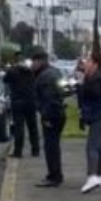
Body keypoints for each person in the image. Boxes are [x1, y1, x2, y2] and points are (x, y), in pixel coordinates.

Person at [77, 53, 101, 194]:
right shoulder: (94, 77)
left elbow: (92, 95)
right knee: (97, 147)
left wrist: (82, 83)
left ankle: (92, 176)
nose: (85, 63)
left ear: (95, 64)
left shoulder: (97, 78)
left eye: (87, 61)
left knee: (91, 147)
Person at [31, 50, 66, 188]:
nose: (32, 65)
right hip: (59, 112)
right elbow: (63, 91)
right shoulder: (56, 72)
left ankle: (54, 176)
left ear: (40, 62)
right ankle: (55, 174)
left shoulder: (44, 77)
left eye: (33, 62)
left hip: (51, 115)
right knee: (53, 146)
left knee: (51, 147)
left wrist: (46, 116)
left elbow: (48, 99)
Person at [3, 51, 40, 159]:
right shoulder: (31, 70)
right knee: (33, 127)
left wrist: (10, 69)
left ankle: (18, 151)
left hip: (18, 101)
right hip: (31, 101)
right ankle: (35, 150)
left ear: (15, 60)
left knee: (19, 127)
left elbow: (5, 80)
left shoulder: (13, 71)